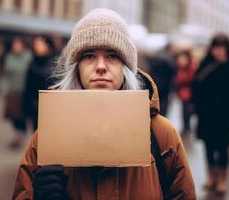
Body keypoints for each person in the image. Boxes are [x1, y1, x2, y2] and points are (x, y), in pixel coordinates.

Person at [13, 9, 196, 200]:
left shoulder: (161, 135)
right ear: (77, 68)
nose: (101, 66)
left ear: (125, 68)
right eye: (89, 56)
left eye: (112, 56)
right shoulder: (47, 137)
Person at [192, 34, 229, 194]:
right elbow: (196, 85)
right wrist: (195, 105)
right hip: (207, 112)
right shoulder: (205, 64)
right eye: (216, 48)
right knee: (208, 146)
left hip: (226, 114)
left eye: (222, 48)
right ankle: (211, 177)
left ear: (227, 49)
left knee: (222, 147)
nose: (219, 51)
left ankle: (222, 179)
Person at [0, 37, 32, 149]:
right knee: (13, 117)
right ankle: (17, 135)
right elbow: (5, 75)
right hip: (12, 92)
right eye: (14, 44)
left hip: (24, 92)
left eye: (18, 44)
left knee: (22, 116)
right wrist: (4, 90)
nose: (16, 46)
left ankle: (21, 137)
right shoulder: (9, 57)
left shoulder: (28, 57)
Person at [23, 35, 55, 130]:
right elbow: (28, 86)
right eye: (36, 44)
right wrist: (26, 105)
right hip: (35, 106)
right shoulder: (32, 63)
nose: (38, 46)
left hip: (50, 106)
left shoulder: (54, 63)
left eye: (40, 44)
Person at [147, 44, 176, 116]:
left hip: (155, 83)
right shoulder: (168, 59)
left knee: (156, 101)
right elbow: (173, 71)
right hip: (165, 86)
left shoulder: (155, 57)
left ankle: (157, 116)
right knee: (163, 104)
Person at [173, 50, 195, 135]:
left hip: (188, 94)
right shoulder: (179, 69)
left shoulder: (190, 68)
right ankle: (186, 127)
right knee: (183, 111)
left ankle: (187, 127)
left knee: (187, 111)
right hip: (182, 94)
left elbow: (191, 80)